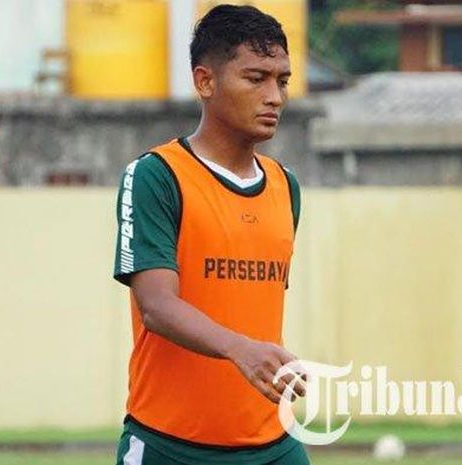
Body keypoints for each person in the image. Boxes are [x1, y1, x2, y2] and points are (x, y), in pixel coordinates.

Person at [112, 4, 309, 464]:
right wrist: (241, 350)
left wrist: (262, 358)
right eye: (255, 78)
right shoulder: (156, 176)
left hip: (273, 447)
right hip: (169, 448)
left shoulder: (286, 186)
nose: (275, 96)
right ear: (205, 82)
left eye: (281, 80)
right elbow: (157, 306)